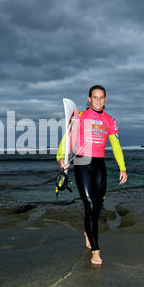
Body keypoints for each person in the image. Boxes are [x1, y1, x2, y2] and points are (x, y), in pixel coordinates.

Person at [57, 85, 128, 265]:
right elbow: (66, 139)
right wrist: (61, 158)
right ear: (89, 98)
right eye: (95, 97)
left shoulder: (109, 120)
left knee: (97, 206)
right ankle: (95, 251)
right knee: (89, 204)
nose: (98, 100)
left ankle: (88, 231)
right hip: (82, 162)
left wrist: (123, 168)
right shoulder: (80, 117)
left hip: (99, 164)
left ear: (105, 99)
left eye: (101, 97)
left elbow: (116, 146)